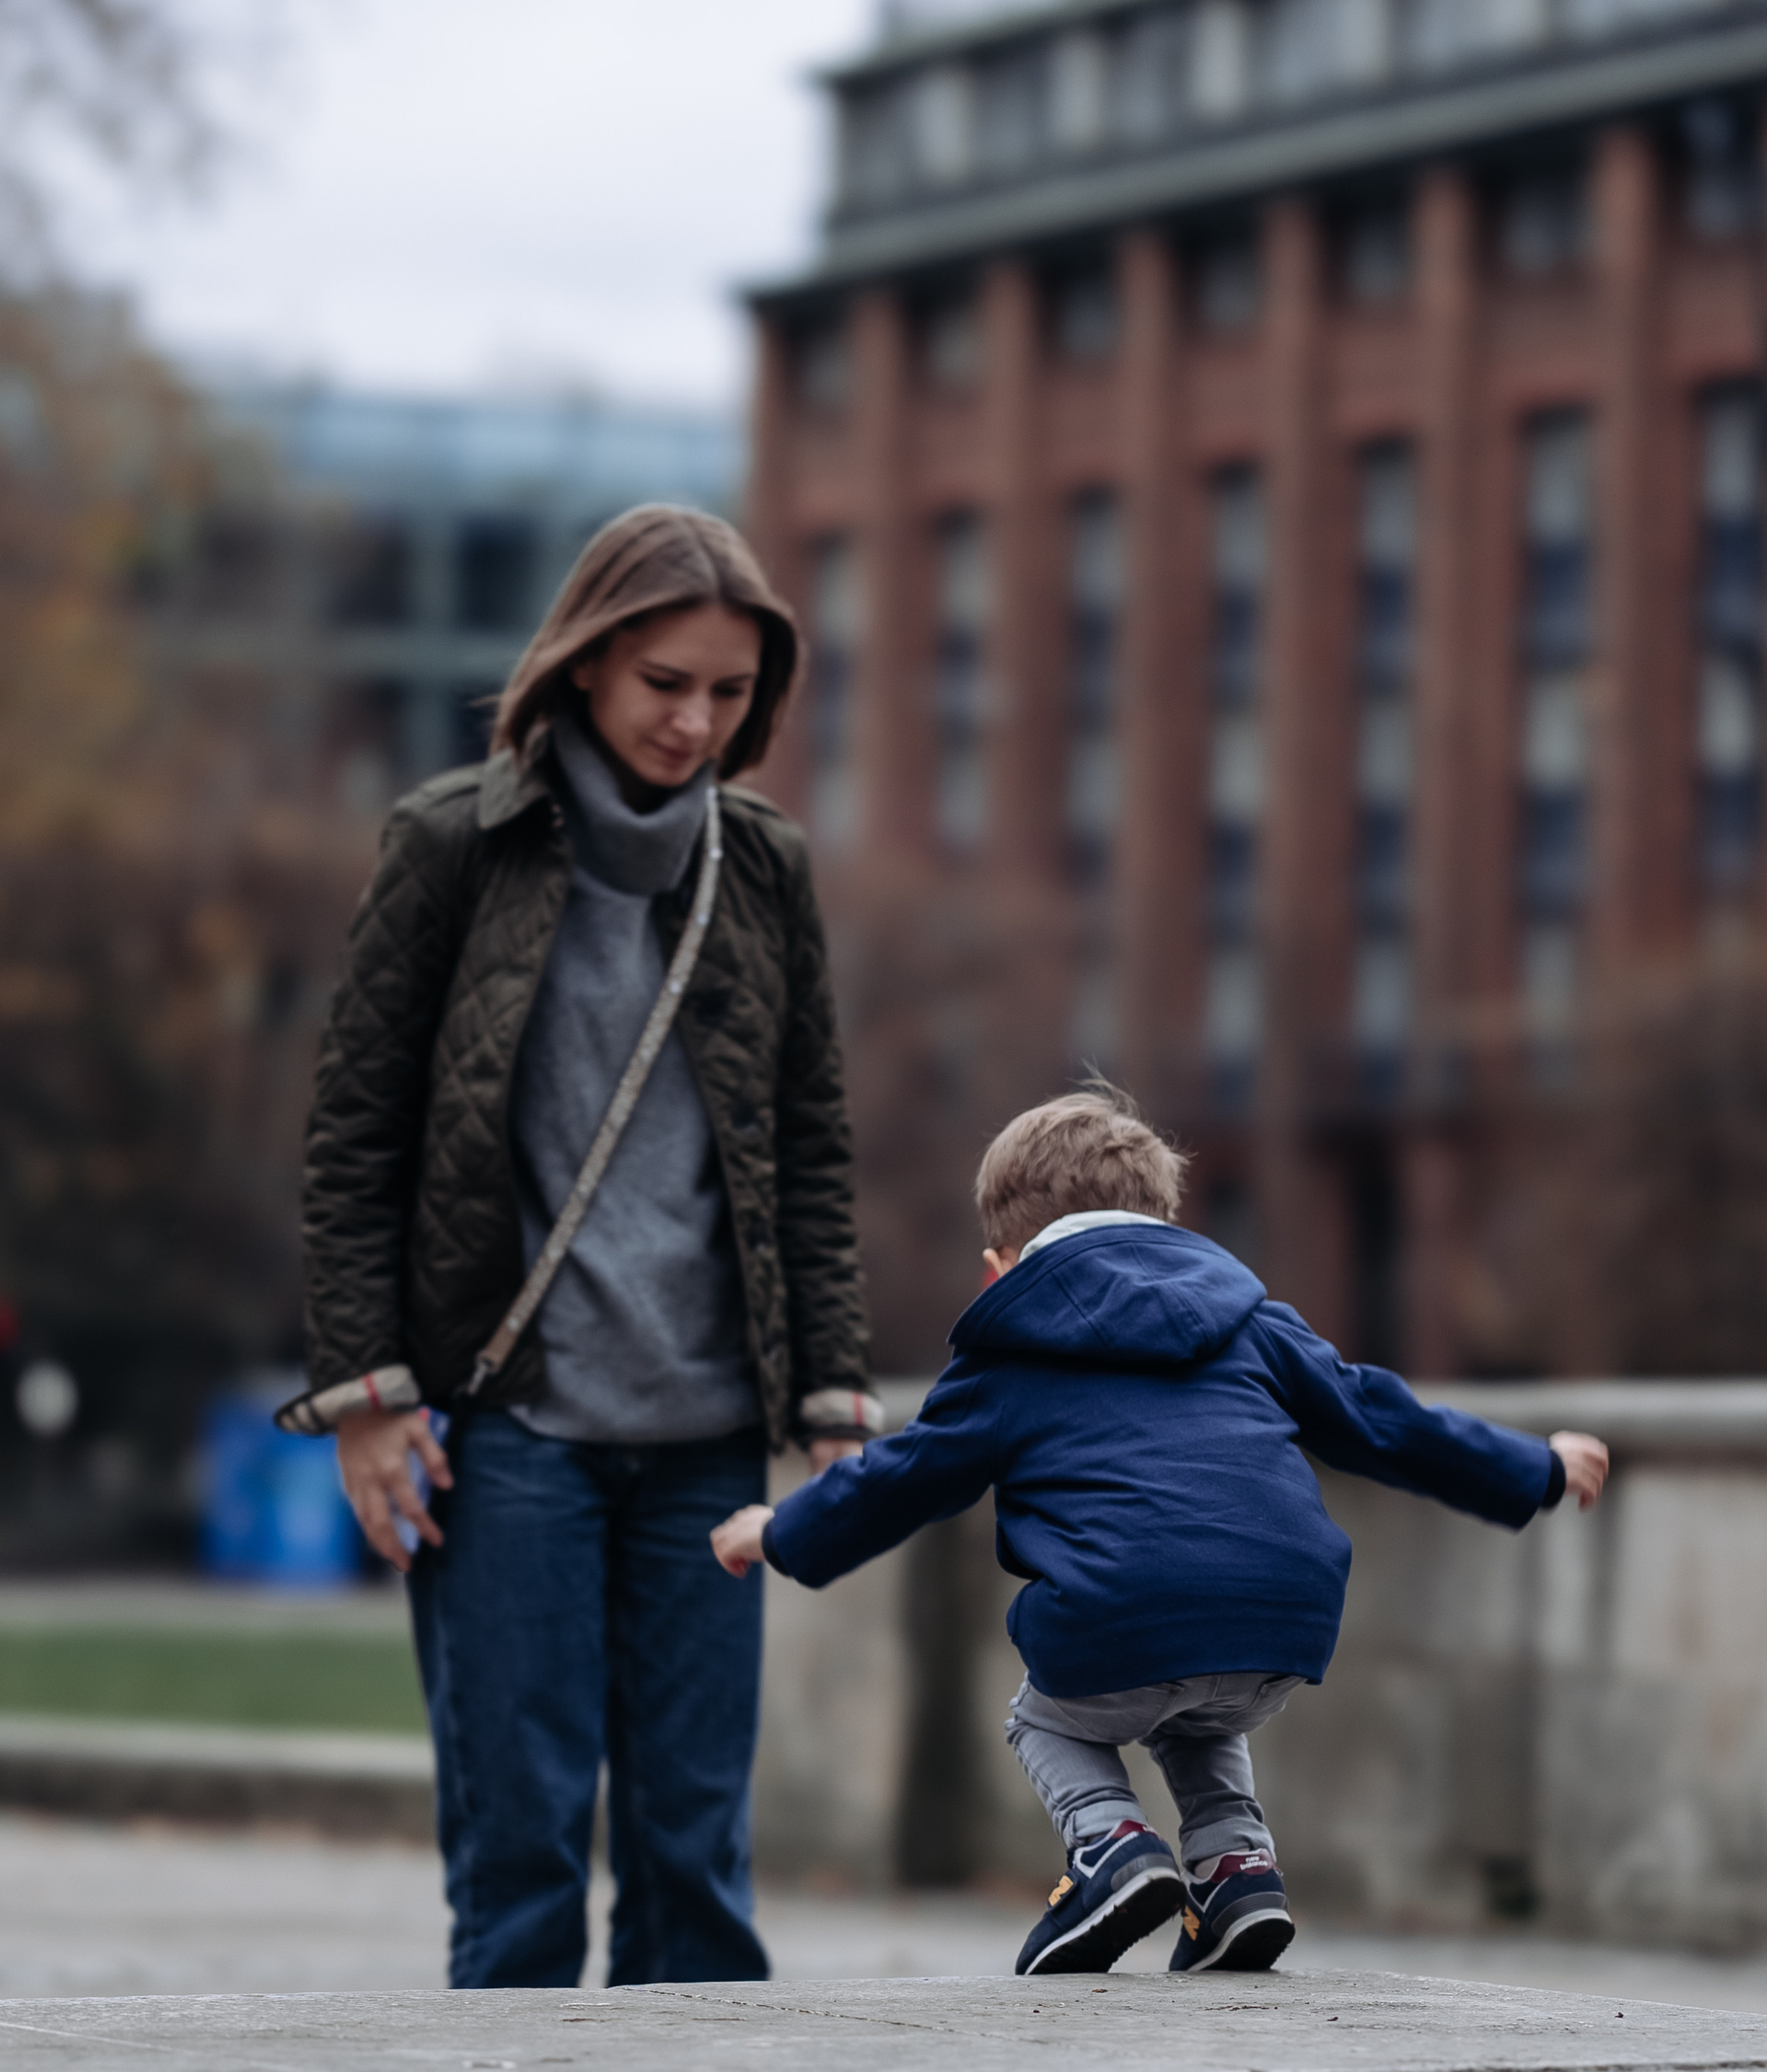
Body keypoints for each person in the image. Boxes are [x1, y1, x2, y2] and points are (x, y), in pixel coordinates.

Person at [289, 505, 879, 1988]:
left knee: (696, 1862)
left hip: (704, 1439)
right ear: (586, 667)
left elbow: (804, 1144)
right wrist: (367, 1398)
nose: (694, 722)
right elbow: (356, 1139)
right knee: (523, 1855)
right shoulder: (450, 845)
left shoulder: (763, 867)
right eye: (664, 684)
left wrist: (830, 1395)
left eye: (729, 694)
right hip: (510, 1433)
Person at [713, 1082, 1608, 1978]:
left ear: (1001, 1265)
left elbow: (896, 1481)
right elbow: (1385, 1419)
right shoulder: (1254, 1323)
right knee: (1199, 1709)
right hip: (1280, 1622)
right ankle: (1236, 1873)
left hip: (1118, 1618)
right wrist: (1531, 1466)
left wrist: (779, 1532)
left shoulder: (1007, 1350)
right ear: (1168, 1225)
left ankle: (1111, 1849)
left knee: (1046, 1720)